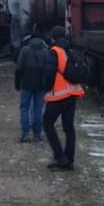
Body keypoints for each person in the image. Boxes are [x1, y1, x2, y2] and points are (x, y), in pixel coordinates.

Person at [42, 25, 85, 170]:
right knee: (69, 128)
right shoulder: (70, 50)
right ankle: (69, 160)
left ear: (53, 37)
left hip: (59, 94)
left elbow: (49, 73)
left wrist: (46, 88)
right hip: (72, 93)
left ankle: (60, 157)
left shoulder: (55, 51)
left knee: (47, 123)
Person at [14, 31, 49, 143]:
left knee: (24, 108)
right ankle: (37, 134)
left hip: (26, 83)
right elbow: (49, 69)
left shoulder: (25, 50)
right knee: (38, 109)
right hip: (41, 84)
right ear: (41, 40)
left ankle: (25, 134)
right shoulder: (46, 51)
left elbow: (19, 67)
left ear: (30, 39)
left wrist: (17, 83)